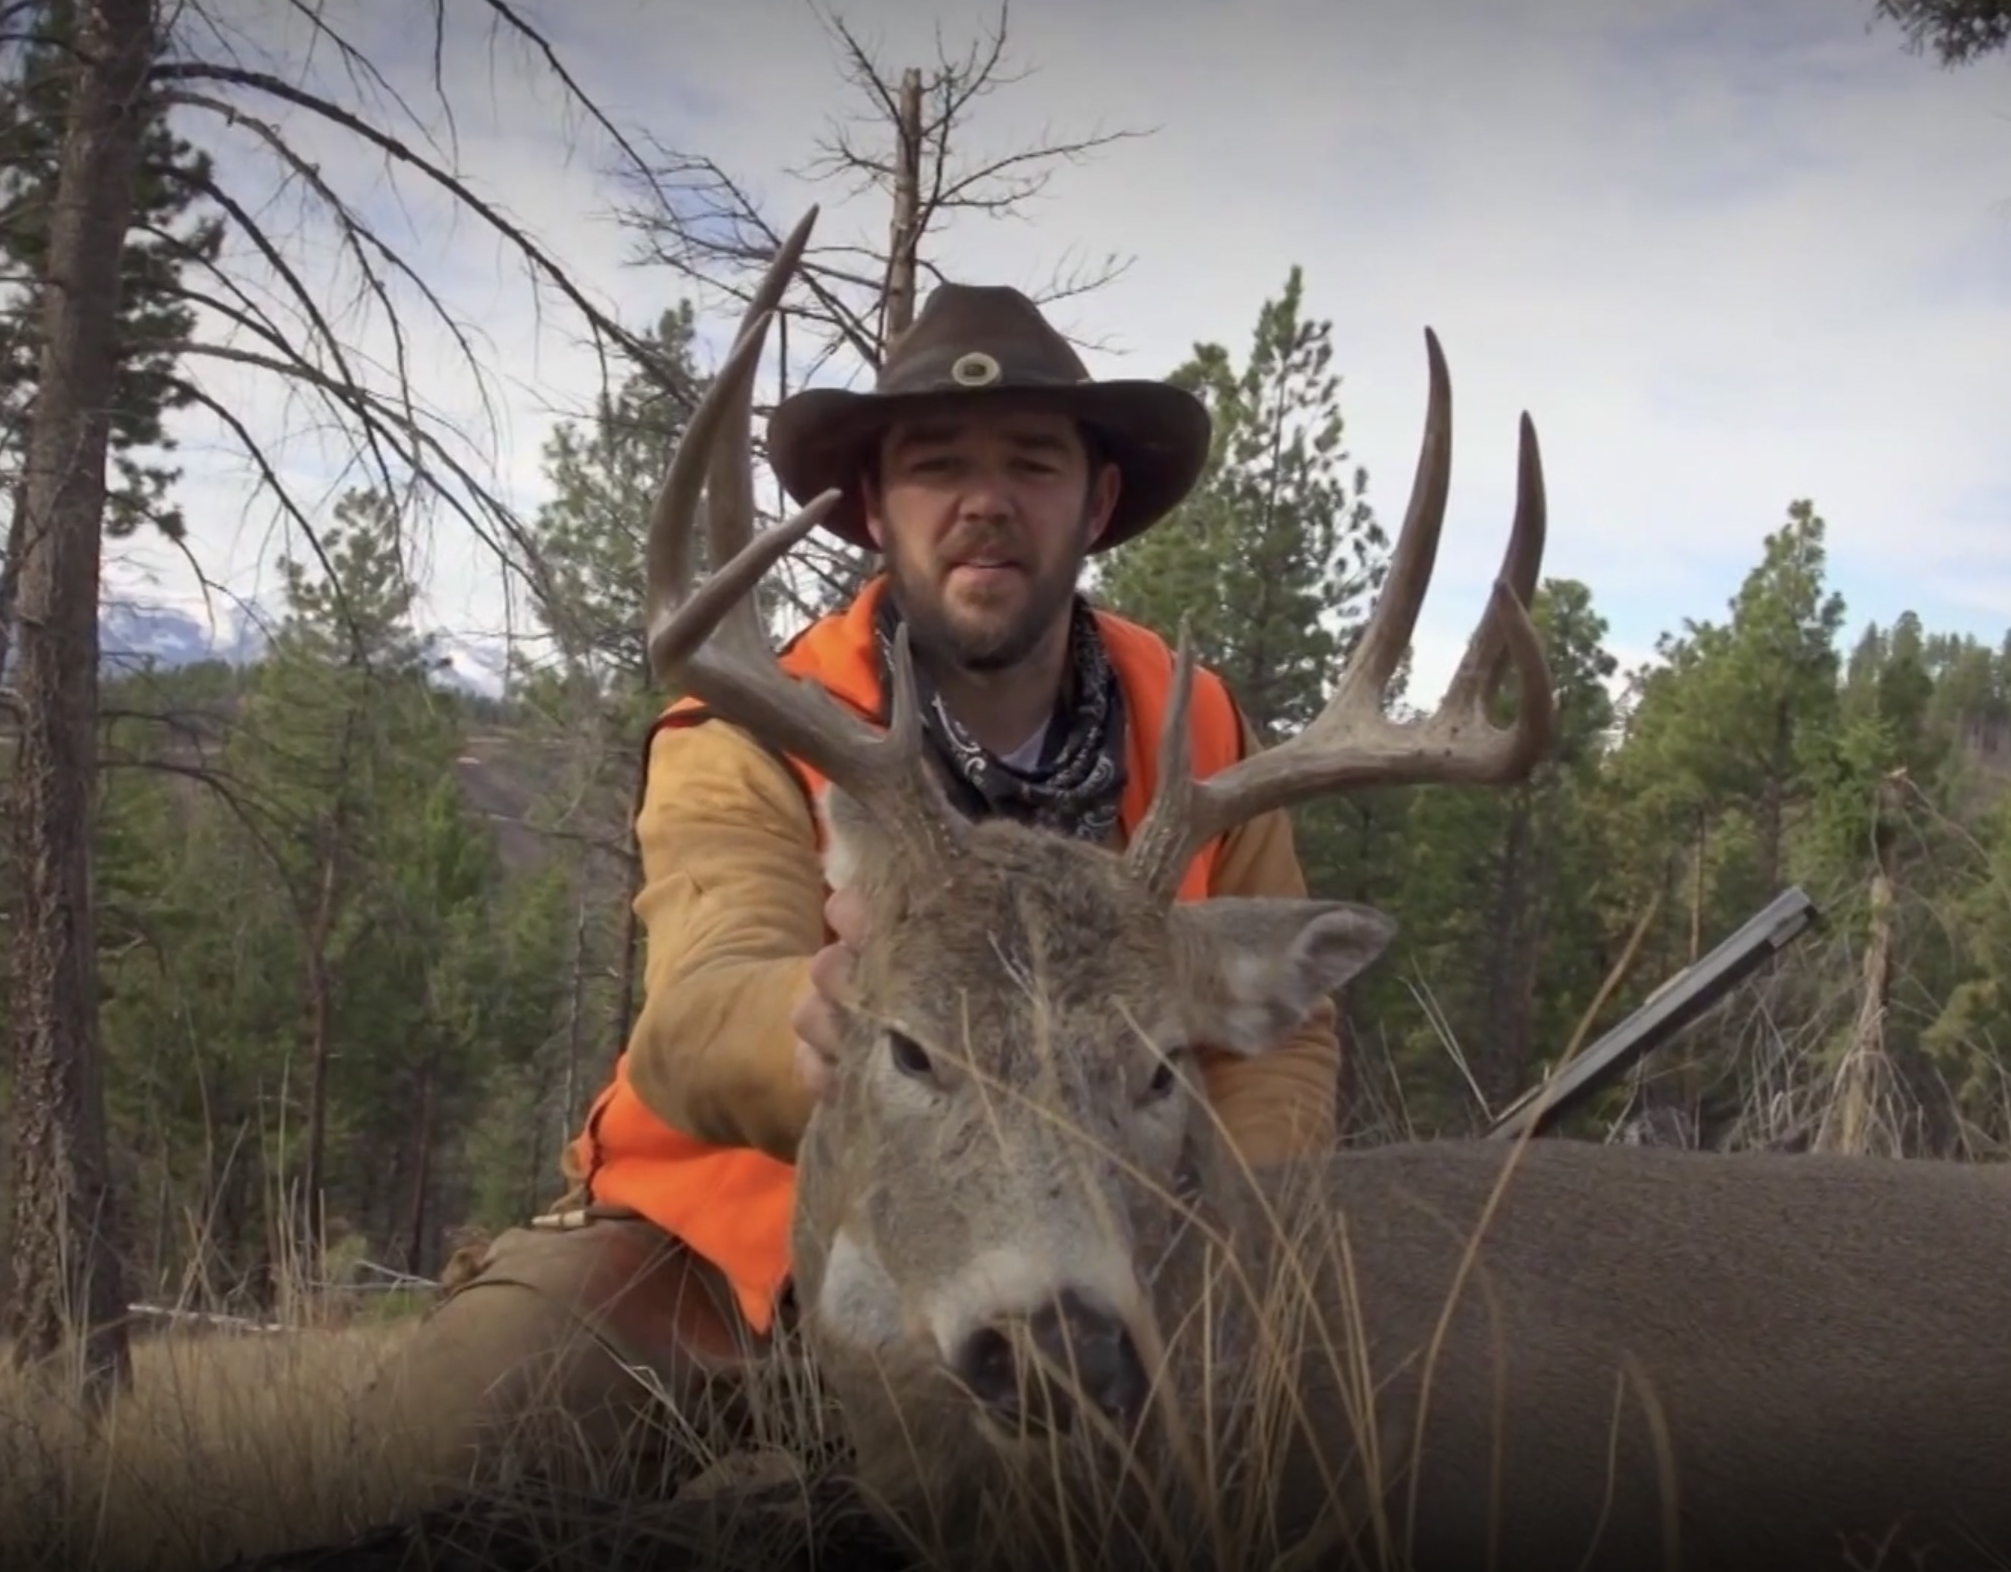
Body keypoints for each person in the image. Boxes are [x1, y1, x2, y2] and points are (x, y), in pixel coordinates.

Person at [357, 280, 1347, 1503]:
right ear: (875, 509)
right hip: (731, 1263)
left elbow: (1278, 1037)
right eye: (936, 467)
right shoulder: (756, 722)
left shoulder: (1192, 727)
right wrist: (815, 1021)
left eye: (1032, 464)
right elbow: (697, 1009)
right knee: (463, 1436)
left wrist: (1236, 1254)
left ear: (1095, 503)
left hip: (1078, 1274)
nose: (984, 502)